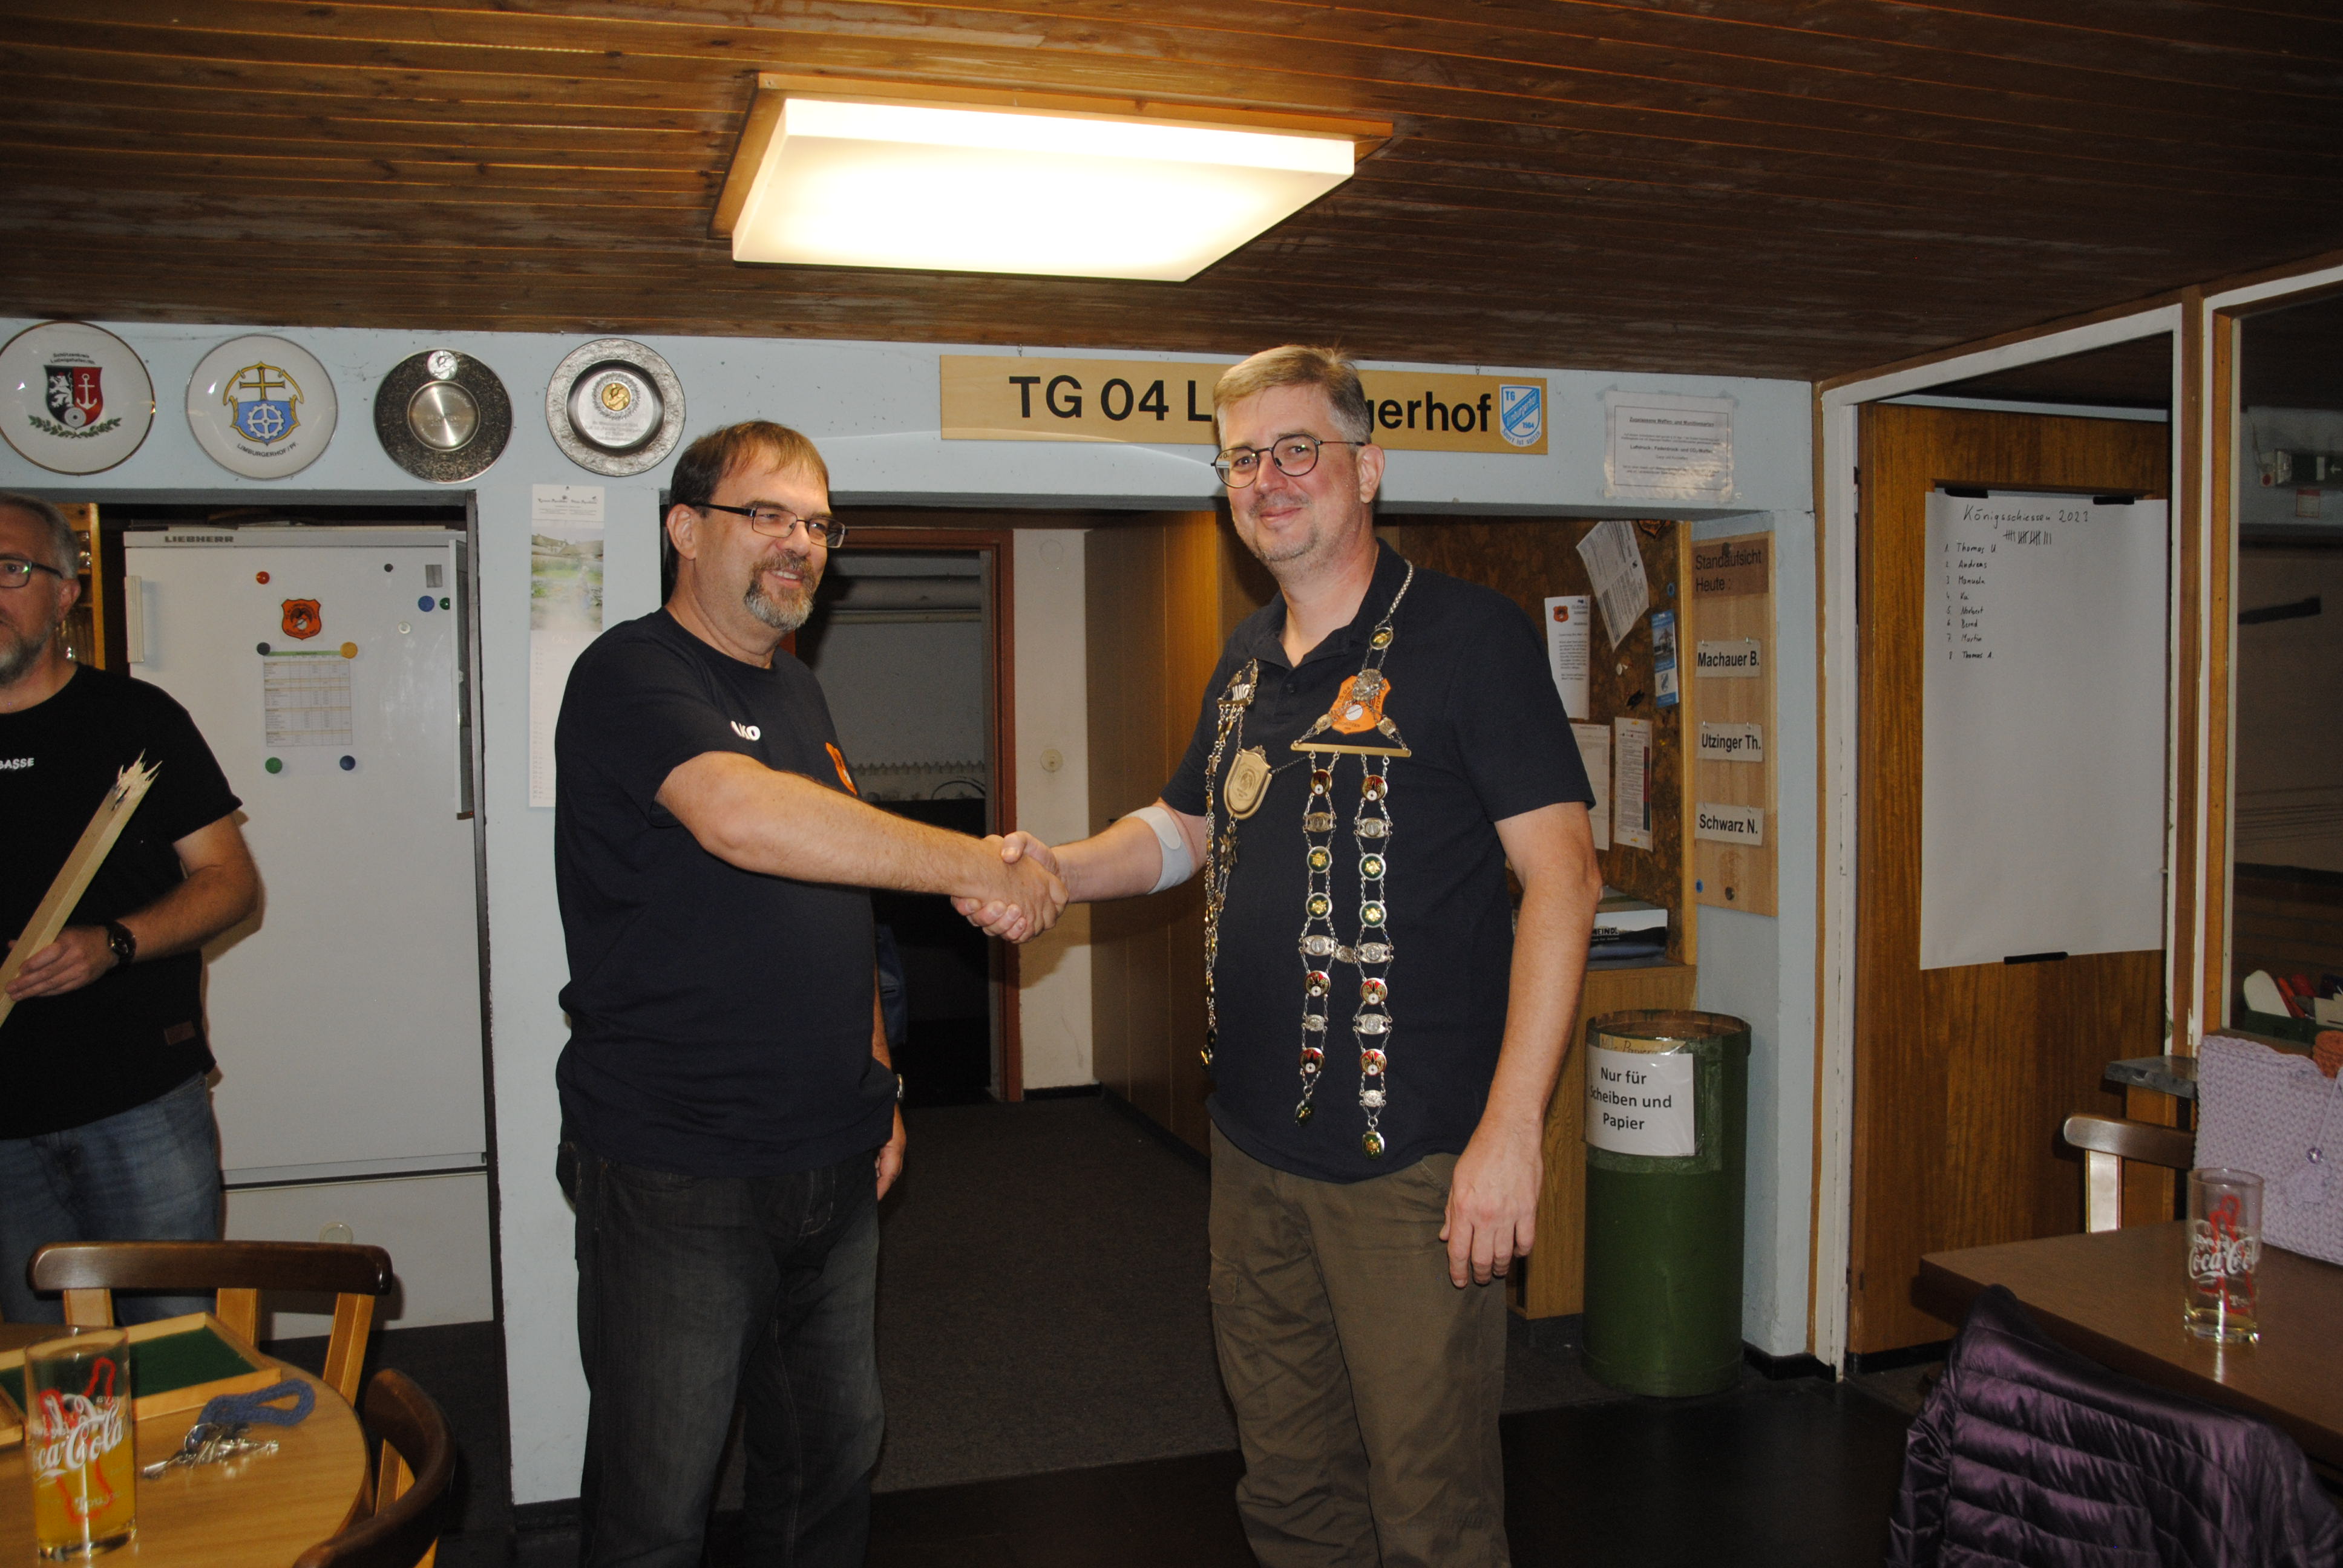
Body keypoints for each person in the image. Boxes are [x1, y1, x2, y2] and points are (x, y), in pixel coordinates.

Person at [964, 348, 1604, 1567]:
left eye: (1296, 449)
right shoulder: (1249, 655)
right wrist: (1049, 868)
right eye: (1241, 460)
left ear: (1368, 467)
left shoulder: (1469, 638)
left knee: (1429, 1508)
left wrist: (1511, 1133)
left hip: (1411, 1163)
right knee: (1289, 1482)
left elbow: (1564, 880)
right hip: (1253, 1151)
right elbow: (1186, 828)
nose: (1267, 480)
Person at [553, 420, 1064, 1568]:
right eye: (768, 515)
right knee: (658, 1492)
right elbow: (741, 817)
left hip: (828, 1152)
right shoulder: (632, 672)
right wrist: (983, 865)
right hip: (679, 1163)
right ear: (686, 531)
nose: (801, 543)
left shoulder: (798, 693)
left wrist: (880, 1083)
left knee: (830, 1457)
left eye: (820, 524)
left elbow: (844, 907)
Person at [0, 493, 260, 1324]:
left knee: (174, 1341)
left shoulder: (136, 722)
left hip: (139, 1102)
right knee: (43, 1365)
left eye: (10, 570)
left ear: (64, 594)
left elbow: (229, 882)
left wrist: (113, 943)